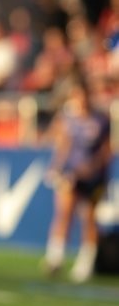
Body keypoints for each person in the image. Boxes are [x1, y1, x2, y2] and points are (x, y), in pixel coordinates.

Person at [43, 78, 111, 283]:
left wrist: (94, 169)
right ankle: (55, 257)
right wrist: (55, 168)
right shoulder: (68, 119)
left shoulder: (100, 120)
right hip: (70, 173)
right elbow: (62, 145)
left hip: (93, 176)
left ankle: (85, 262)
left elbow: (106, 151)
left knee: (89, 218)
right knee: (64, 212)